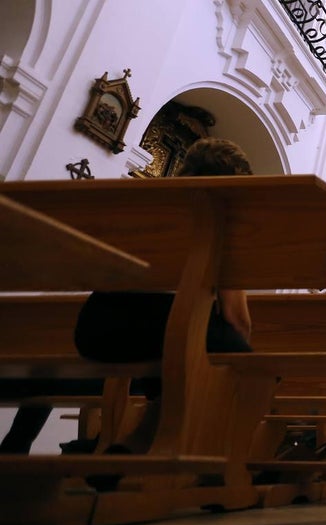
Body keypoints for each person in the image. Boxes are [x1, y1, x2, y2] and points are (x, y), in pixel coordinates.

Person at [1, 138, 255, 456]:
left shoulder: (138, 208)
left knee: (173, 363)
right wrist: (238, 350)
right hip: (165, 333)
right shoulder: (220, 226)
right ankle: (144, 448)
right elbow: (236, 318)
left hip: (97, 328)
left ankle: (118, 447)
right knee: (224, 357)